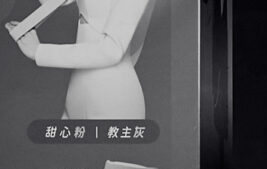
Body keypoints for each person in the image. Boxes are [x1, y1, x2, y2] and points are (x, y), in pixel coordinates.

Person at [6, 0, 156, 119]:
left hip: (112, 97)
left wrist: (40, 51)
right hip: (74, 94)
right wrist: (26, 26)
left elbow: (112, 50)